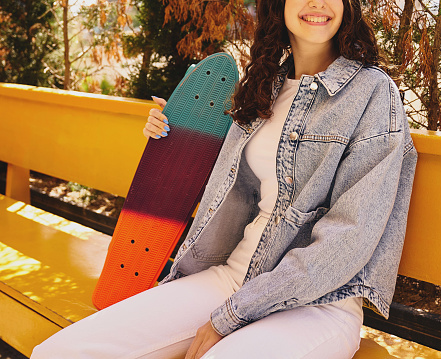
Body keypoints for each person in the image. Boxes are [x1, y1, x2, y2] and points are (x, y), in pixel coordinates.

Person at [32, 0, 417, 357]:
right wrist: (177, 133)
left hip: (317, 304)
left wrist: (231, 315)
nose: (318, 3)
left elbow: (350, 237)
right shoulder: (263, 86)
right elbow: (227, 184)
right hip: (231, 277)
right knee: (59, 352)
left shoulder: (372, 93)